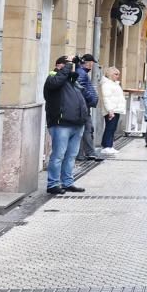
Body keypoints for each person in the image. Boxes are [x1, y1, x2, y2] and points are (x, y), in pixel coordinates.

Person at [43, 56, 89, 195]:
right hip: (60, 124)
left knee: (71, 156)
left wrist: (75, 66)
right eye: (67, 65)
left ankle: (67, 182)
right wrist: (67, 66)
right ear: (58, 66)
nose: (71, 68)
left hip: (77, 124)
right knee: (58, 155)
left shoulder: (71, 80)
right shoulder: (52, 78)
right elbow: (56, 82)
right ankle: (53, 184)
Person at [77, 54, 102, 161]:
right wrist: (91, 97)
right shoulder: (81, 73)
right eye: (91, 63)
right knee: (87, 129)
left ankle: (84, 153)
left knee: (86, 129)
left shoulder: (81, 72)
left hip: (84, 106)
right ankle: (89, 153)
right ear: (87, 62)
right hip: (83, 107)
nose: (92, 65)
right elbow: (81, 88)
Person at [99, 67, 125, 153]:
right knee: (110, 127)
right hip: (111, 110)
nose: (117, 76)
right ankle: (106, 146)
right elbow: (106, 98)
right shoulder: (106, 84)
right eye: (116, 74)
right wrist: (110, 110)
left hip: (116, 109)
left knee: (112, 128)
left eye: (118, 74)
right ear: (110, 74)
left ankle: (109, 145)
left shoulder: (114, 84)